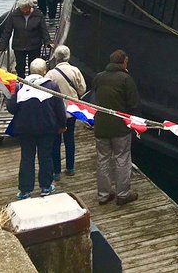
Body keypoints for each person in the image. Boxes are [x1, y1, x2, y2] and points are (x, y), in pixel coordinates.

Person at [6, 58, 66, 200]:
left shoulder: (20, 87)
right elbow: (59, 108)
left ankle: (25, 190)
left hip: (25, 129)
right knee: (45, 157)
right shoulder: (51, 86)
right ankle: (45, 186)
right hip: (47, 128)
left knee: (27, 158)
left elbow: (11, 108)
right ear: (44, 71)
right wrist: (62, 125)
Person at [93, 48, 141, 206]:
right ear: (124, 61)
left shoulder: (99, 77)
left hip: (101, 125)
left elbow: (94, 97)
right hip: (120, 127)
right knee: (122, 158)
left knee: (103, 159)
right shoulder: (126, 79)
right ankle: (122, 194)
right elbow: (133, 104)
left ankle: (104, 194)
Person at [47, 45, 87, 181]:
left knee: (55, 141)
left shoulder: (51, 74)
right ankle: (70, 167)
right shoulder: (75, 71)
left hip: (55, 112)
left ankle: (56, 171)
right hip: (71, 110)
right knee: (69, 139)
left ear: (56, 58)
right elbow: (82, 89)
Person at [0, 0, 51, 79]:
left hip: (34, 46)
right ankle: (21, 80)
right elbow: (7, 31)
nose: (24, 11)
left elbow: (44, 30)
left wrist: (47, 42)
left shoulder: (38, 14)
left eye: (26, 8)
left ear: (30, 7)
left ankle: (33, 81)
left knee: (33, 66)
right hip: (19, 46)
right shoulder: (14, 15)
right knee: (20, 66)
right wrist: (2, 45)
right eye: (22, 9)